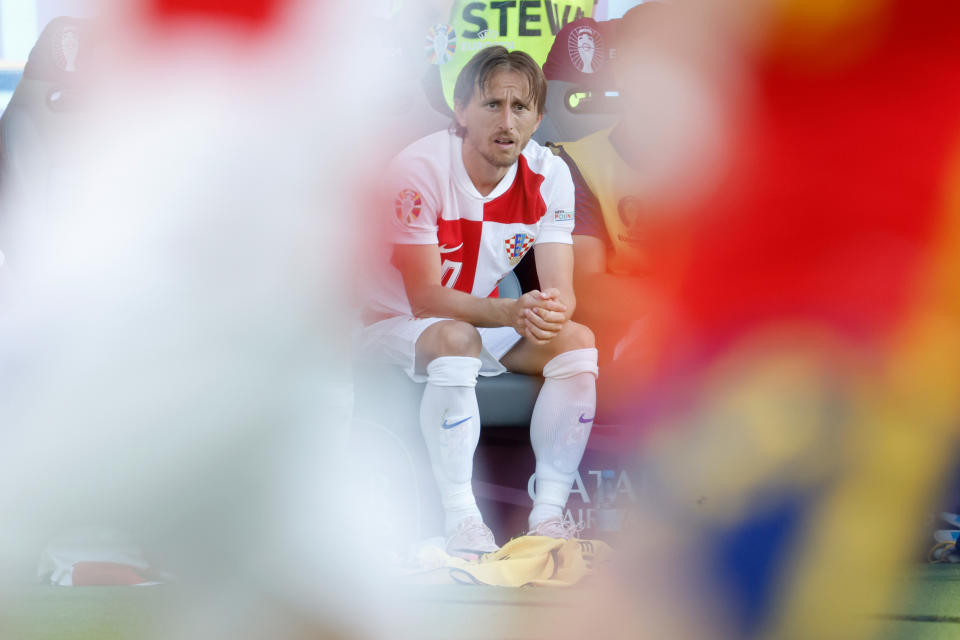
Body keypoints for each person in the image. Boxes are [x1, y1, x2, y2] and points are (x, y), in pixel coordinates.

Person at [359, 46, 598, 557]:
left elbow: (563, 291)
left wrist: (550, 311)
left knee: (576, 343)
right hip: (389, 320)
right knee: (455, 337)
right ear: (460, 110)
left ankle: (549, 518)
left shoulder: (550, 174)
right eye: (492, 105)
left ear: (538, 116)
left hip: (477, 317)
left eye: (521, 107)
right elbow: (424, 298)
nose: (507, 120)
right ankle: (463, 521)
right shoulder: (418, 169)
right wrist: (512, 311)